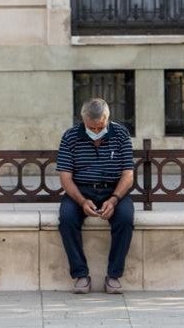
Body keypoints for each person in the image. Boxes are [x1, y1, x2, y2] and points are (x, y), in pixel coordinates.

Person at [56, 97, 134, 295]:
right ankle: (81, 275)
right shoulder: (71, 136)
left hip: (114, 190)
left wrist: (114, 199)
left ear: (107, 119)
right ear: (83, 120)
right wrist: (82, 200)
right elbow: (65, 177)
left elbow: (128, 174)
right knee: (67, 219)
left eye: (100, 127)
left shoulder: (121, 134)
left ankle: (114, 276)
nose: (96, 132)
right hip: (80, 190)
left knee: (125, 219)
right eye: (92, 127)